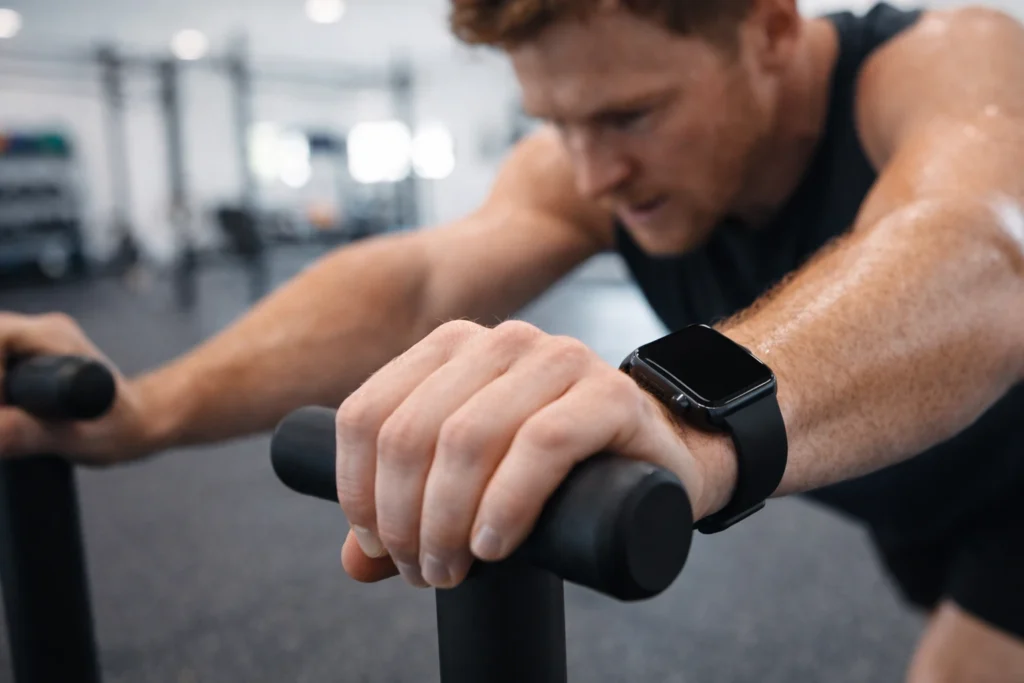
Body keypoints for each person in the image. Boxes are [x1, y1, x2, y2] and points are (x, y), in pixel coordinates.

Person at [2, 0, 1023, 678]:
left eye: (630, 113)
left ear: (765, 30)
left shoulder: (944, 59)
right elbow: (416, 282)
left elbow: (976, 246)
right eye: (557, 123)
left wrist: (686, 399)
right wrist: (142, 410)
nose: (591, 175)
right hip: (922, 495)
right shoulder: (586, 173)